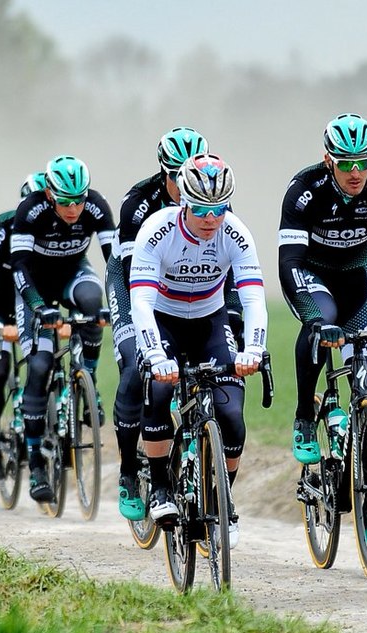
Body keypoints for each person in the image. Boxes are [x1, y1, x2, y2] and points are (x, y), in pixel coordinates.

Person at [278, 113, 367, 546]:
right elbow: (288, 263)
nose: (356, 172)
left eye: (363, 162)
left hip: (358, 281)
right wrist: (312, 317)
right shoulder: (304, 190)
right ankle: (302, 415)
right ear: (328, 160)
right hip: (312, 277)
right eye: (346, 163)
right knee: (324, 322)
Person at [129, 153, 269, 548]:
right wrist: (156, 356)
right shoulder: (157, 231)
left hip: (210, 320)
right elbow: (140, 302)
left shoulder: (235, 233)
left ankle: (222, 496)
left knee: (231, 415)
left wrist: (253, 349)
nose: (211, 219)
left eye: (220, 209)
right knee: (158, 391)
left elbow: (254, 297)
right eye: (203, 209)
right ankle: (158, 486)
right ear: (183, 203)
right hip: (164, 318)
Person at [107, 126, 210, 521]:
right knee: (137, 367)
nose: (185, 189)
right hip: (135, 281)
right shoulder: (138, 202)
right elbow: (138, 280)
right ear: (162, 173)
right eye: (175, 178)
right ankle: (130, 471)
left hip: (188, 285)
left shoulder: (211, 199)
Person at [11, 155, 116, 502]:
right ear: (50, 194)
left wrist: (114, 306)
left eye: (80, 200)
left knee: (92, 300)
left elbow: (114, 260)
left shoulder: (95, 206)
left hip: (73, 273)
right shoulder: (31, 210)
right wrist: (39, 308)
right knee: (40, 366)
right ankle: (37, 461)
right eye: (66, 202)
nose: (74, 209)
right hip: (36, 287)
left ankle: (90, 379)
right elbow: (20, 267)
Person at [0, 171, 46, 479]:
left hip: (32, 307)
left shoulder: (58, 237)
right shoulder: (0, 230)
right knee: (0, 369)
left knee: (46, 364)